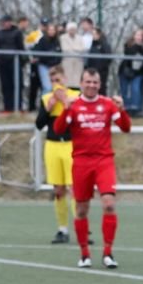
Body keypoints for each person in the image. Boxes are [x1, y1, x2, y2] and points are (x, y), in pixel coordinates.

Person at [52, 67, 132, 268]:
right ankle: (84, 254)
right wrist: (66, 108)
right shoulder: (74, 105)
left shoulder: (107, 104)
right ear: (81, 83)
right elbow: (59, 129)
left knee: (109, 204)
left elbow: (125, 127)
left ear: (99, 84)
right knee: (81, 209)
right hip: (81, 163)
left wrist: (122, 109)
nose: (91, 85)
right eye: (88, 82)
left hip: (104, 161)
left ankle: (108, 252)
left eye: (95, 82)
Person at [35, 65, 81, 244]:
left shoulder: (76, 96)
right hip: (53, 146)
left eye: (58, 80)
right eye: (53, 81)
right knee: (59, 190)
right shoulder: (46, 98)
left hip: (71, 145)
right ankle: (62, 229)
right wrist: (48, 109)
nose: (56, 84)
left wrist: (66, 103)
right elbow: (39, 124)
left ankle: (81, 227)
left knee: (75, 189)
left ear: (65, 78)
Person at [0, 15, 25, 113]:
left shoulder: (17, 33)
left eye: (7, 22)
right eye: (4, 22)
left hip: (14, 62)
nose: (6, 24)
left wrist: (21, 61)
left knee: (17, 84)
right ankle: (7, 107)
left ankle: (18, 106)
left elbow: (21, 47)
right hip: (3, 62)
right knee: (5, 85)